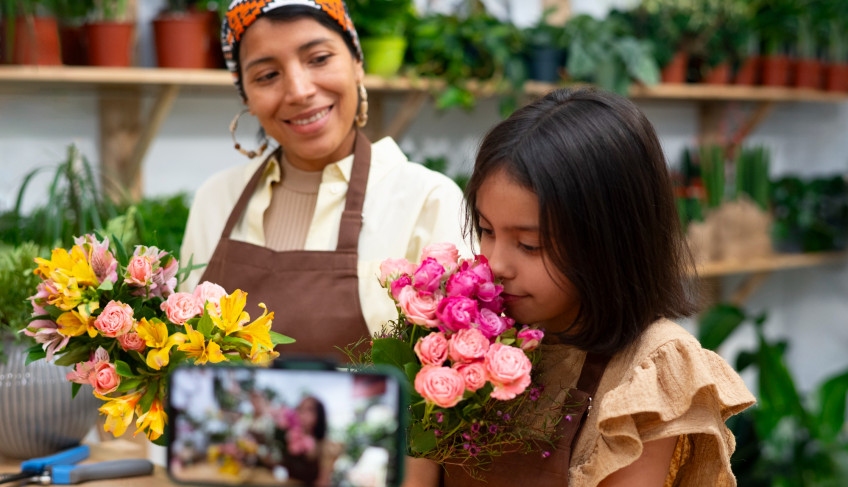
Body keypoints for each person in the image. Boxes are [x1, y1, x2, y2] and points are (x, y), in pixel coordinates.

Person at [430, 87, 756, 486]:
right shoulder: (465, 331)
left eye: (529, 244)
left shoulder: (649, 366)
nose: (495, 264)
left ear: (609, 240)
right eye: (485, 230)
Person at [180, 0, 467, 357]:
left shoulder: (428, 200)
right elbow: (187, 355)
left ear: (357, 64)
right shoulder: (216, 199)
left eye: (318, 59)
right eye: (267, 75)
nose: (299, 91)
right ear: (247, 98)